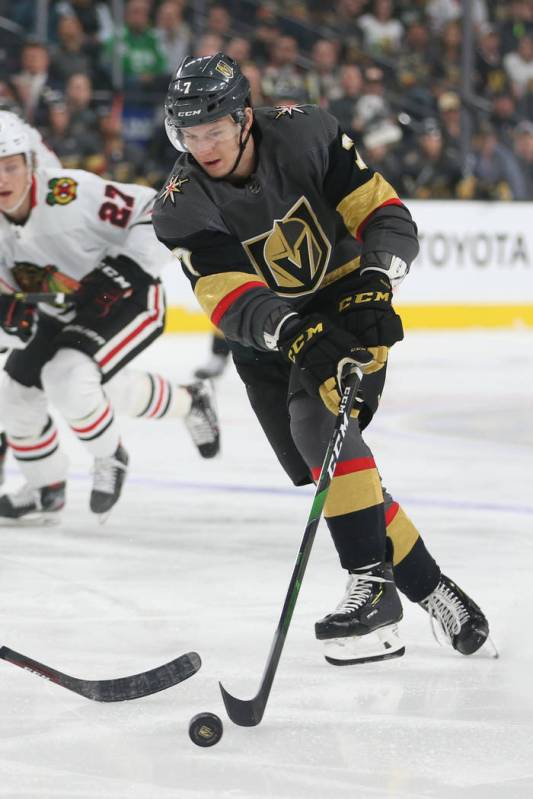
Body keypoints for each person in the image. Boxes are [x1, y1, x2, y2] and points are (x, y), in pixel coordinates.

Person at [152, 53, 490, 664]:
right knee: (332, 477)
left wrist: (378, 279)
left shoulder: (306, 132)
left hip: (347, 304)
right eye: (190, 133)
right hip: (266, 342)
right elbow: (230, 298)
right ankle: (431, 587)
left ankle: (372, 593)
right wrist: (291, 331)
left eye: (215, 130)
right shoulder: (179, 203)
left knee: (320, 425)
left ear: (244, 118)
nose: (203, 145)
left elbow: (382, 212)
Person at [0, 112, 219, 521]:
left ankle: (109, 456)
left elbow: (158, 212)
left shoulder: (67, 193)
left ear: (30, 165)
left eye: (10, 166)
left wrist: (126, 270)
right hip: (56, 308)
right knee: (15, 398)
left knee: (69, 378)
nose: (2, 179)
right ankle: (46, 486)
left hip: (124, 298)